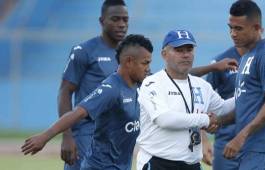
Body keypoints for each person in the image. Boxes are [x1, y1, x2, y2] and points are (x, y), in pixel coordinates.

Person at [21, 34, 153, 170]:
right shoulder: (111, 89)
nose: (148, 68)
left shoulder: (139, 84)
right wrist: (44, 137)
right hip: (101, 167)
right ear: (129, 61)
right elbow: (77, 113)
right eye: (145, 63)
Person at [136, 29, 235, 170]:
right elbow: (164, 119)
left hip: (192, 164)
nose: (185, 55)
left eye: (189, 50)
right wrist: (205, 120)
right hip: (158, 162)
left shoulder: (202, 86)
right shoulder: (152, 83)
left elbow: (223, 108)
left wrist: (248, 93)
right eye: (179, 50)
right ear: (164, 54)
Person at [211, 1, 265, 169]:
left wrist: (241, 136)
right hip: (249, 150)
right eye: (230, 27)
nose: (232, 33)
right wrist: (220, 121)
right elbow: (247, 104)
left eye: (239, 29)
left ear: (256, 27)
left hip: (263, 150)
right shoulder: (246, 57)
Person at [57, 0, 128, 169]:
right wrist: (67, 135)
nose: (121, 25)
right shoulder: (84, 51)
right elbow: (65, 92)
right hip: (86, 134)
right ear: (102, 21)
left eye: (125, 20)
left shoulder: (129, 55)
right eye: (115, 19)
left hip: (115, 137)